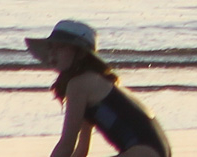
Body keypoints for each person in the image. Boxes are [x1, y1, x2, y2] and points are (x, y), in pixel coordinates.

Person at [26, 19, 173, 157]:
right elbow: (82, 150)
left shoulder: (79, 84)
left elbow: (66, 145)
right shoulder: (95, 81)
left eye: (61, 47)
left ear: (81, 53)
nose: (53, 52)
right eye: (51, 47)